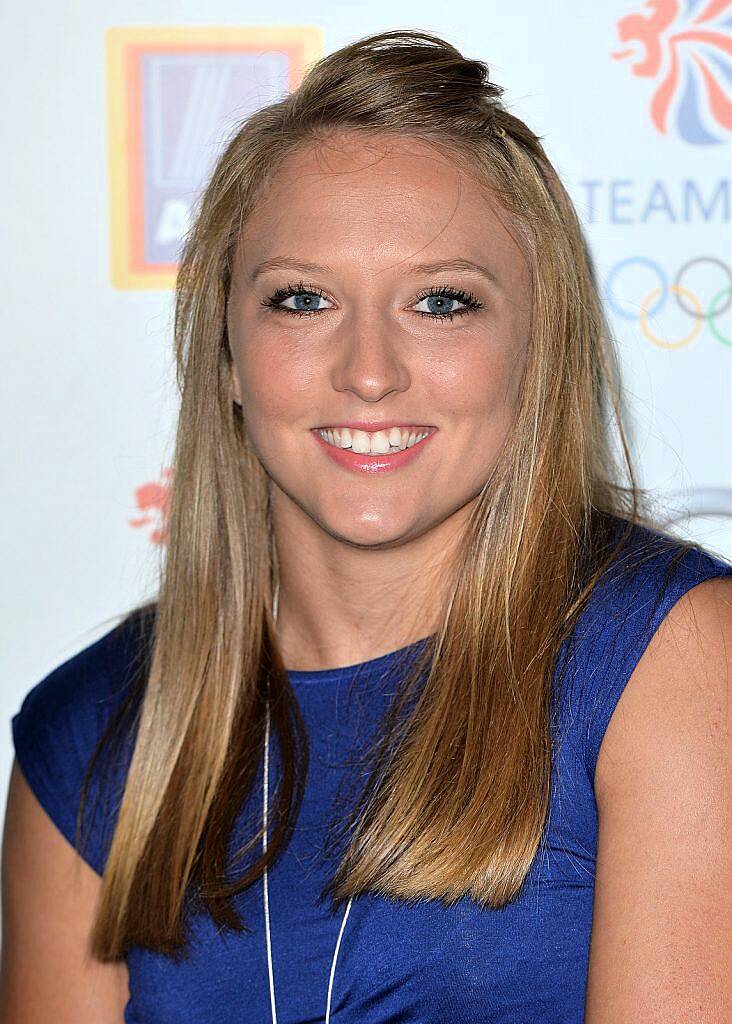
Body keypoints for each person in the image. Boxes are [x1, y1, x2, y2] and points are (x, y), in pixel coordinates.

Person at [2, 27, 730, 1024]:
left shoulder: (667, 654)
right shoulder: (91, 735)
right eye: (302, 300)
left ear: (538, 346)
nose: (370, 370)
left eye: (441, 301)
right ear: (226, 356)